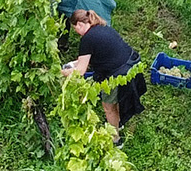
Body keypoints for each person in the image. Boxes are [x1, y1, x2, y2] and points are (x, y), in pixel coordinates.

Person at [62, 10, 145, 143]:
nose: (76, 32)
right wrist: (72, 64)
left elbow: (80, 72)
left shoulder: (87, 39)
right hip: (131, 66)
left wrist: (61, 73)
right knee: (116, 99)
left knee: (108, 107)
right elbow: (88, 58)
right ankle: (118, 123)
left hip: (117, 74)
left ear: (79, 24)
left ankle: (115, 140)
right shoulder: (102, 28)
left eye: (74, 28)